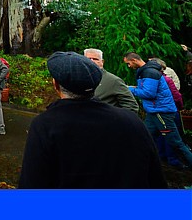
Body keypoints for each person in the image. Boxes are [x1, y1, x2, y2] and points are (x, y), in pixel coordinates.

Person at [19, 51, 166, 188]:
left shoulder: (45, 125)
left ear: (56, 85)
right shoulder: (131, 121)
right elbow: (156, 179)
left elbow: (32, 182)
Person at [124, 52, 192, 168]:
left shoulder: (149, 72)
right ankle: (140, 164)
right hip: (153, 112)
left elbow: (149, 93)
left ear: (134, 60)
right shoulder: (145, 72)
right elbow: (146, 88)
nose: (129, 66)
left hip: (161, 112)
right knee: (145, 137)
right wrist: (133, 88)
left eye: (128, 63)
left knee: (176, 143)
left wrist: (129, 89)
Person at [83, 48, 139, 114]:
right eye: (88, 59)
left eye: (95, 59)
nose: (91, 61)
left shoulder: (113, 81)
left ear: (102, 62)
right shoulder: (77, 78)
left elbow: (131, 106)